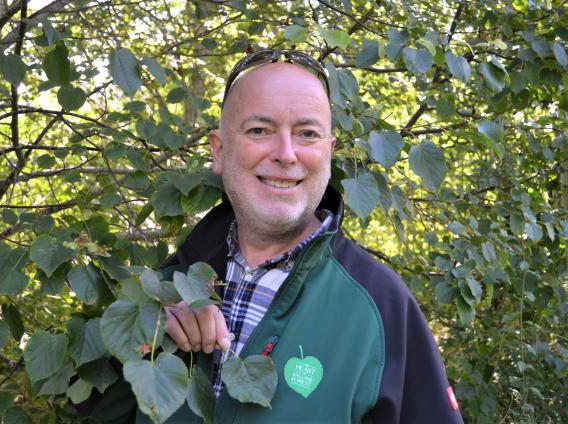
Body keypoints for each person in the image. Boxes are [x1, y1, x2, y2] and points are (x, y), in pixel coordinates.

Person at [84, 50, 464, 423]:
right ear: (219, 150)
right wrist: (143, 335)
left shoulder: (381, 307)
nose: (286, 153)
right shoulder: (168, 286)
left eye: (307, 133)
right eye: (259, 130)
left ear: (328, 154)